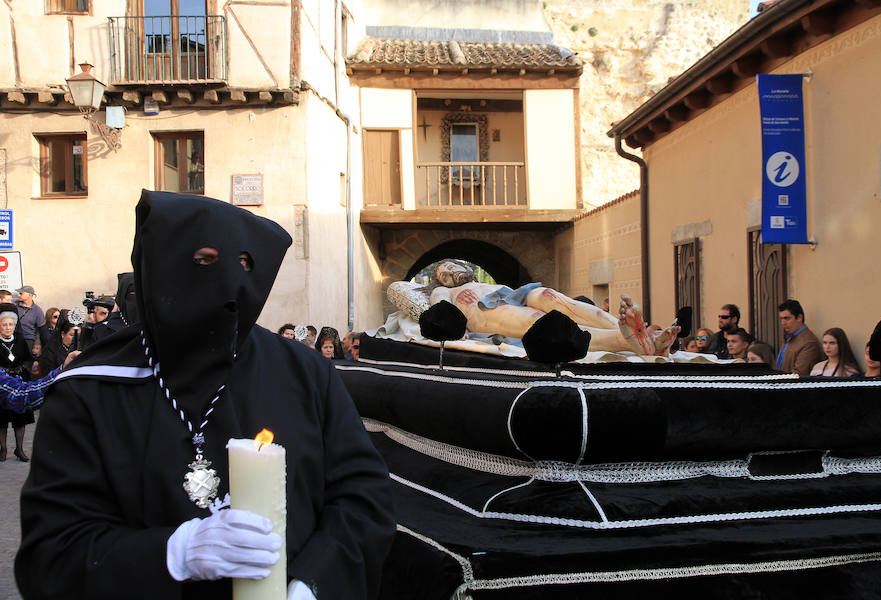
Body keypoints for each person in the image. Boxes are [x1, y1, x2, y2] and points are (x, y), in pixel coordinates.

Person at [17, 190, 394, 599]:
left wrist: (314, 583)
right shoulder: (90, 390)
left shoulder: (305, 374)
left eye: (245, 264)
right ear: (157, 265)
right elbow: (51, 555)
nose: (229, 281)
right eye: (204, 261)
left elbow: (363, 499)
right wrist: (173, 555)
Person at [388, 260, 679, 356]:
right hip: (482, 310)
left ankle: (624, 327)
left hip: (512, 293)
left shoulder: (485, 281)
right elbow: (441, 314)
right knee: (542, 323)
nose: (451, 271)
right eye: (444, 271)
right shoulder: (443, 290)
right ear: (439, 279)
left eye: (454, 266)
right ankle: (625, 340)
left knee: (553, 298)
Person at [0, 308, 35, 462]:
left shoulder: (20, 339)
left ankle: (19, 449)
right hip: (2, 385)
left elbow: (29, 359)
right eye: (4, 325)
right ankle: (3, 449)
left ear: (15, 326)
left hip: (19, 384)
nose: (8, 327)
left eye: (11, 324)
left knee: (19, 418)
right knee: (1, 419)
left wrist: (22, 368)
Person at [776, 299, 824, 375]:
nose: (783, 323)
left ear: (799, 317)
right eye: (781, 319)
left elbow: (800, 373)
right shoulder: (790, 337)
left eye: (787, 318)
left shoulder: (809, 343)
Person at [15, 285, 43, 352]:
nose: (19, 295)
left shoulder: (37, 310)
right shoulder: (15, 306)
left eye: (21, 293)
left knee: (27, 361)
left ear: (29, 295)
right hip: (15, 338)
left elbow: (40, 329)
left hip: (29, 340)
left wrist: (37, 343)